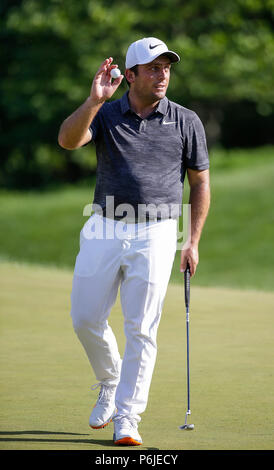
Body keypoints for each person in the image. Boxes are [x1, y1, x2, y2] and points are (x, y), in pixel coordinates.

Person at [58, 37, 210, 446]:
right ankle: (110, 381)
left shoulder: (186, 120)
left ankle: (128, 418)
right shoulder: (106, 115)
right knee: (84, 318)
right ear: (130, 76)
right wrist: (93, 101)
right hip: (104, 225)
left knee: (141, 328)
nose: (163, 74)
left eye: (167, 67)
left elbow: (199, 183)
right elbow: (68, 141)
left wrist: (191, 240)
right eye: (153, 67)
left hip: (158, 231)